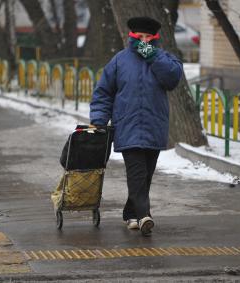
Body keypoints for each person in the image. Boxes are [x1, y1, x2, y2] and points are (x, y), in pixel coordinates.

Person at [89, 16, 183, 236]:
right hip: (127, 125)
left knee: (146, 174)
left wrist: (152, 56)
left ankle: (130, 213)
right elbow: (103, 92)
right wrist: (99, 120)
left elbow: (172, 78)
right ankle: (144, 216)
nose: (143, 41)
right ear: (131, 36)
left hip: (154, 126)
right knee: (137, 173)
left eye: (147, 38)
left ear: (155, 38)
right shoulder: (120, 61)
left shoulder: (164, 58)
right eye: (139, 37)